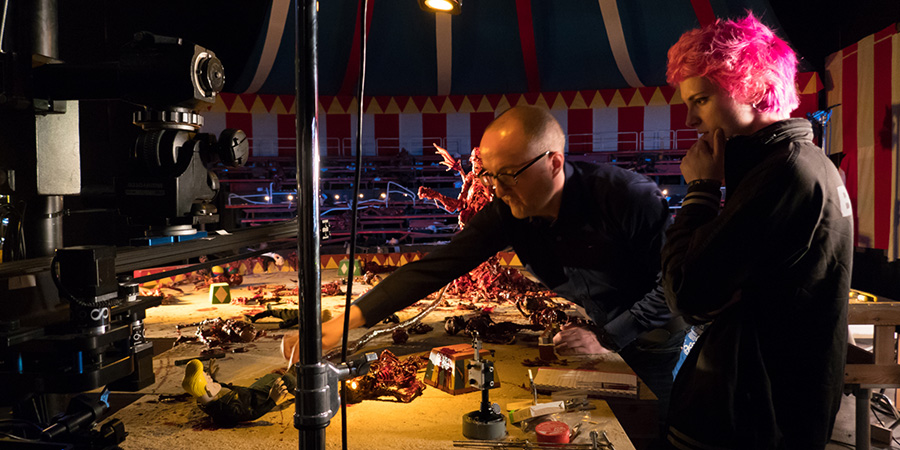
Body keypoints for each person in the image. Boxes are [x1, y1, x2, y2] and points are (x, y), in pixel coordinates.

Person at [286, 105, 688, 428]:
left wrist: (606, 336)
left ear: (554, 162)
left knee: (648, 422)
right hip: (599, 324)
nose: (498, 188)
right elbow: (437, 267)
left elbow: (672, 288)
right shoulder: (509, 210)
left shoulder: (628, 197)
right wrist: (348, 321)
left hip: (653, 333)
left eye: (510, 174)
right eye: (492, 175)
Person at [660, 13, 853, 449]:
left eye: (702, 100)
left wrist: (702, 191)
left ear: (756, 89)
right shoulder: (802, 163)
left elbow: (687, 293)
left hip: (754, 419)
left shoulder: (784, 173)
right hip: (768, 410)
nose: (690, 120)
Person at [181, 358, 294, 428]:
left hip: (249, 391)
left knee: (272, 376)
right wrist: (272, 400)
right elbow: (252, 414)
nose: (208, 376)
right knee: (288, 379)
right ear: (208, 389)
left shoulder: (204, 399)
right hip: (259, 399)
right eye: (206, 377)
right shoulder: (229, 408)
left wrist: (212, 377)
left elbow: (212, 389)